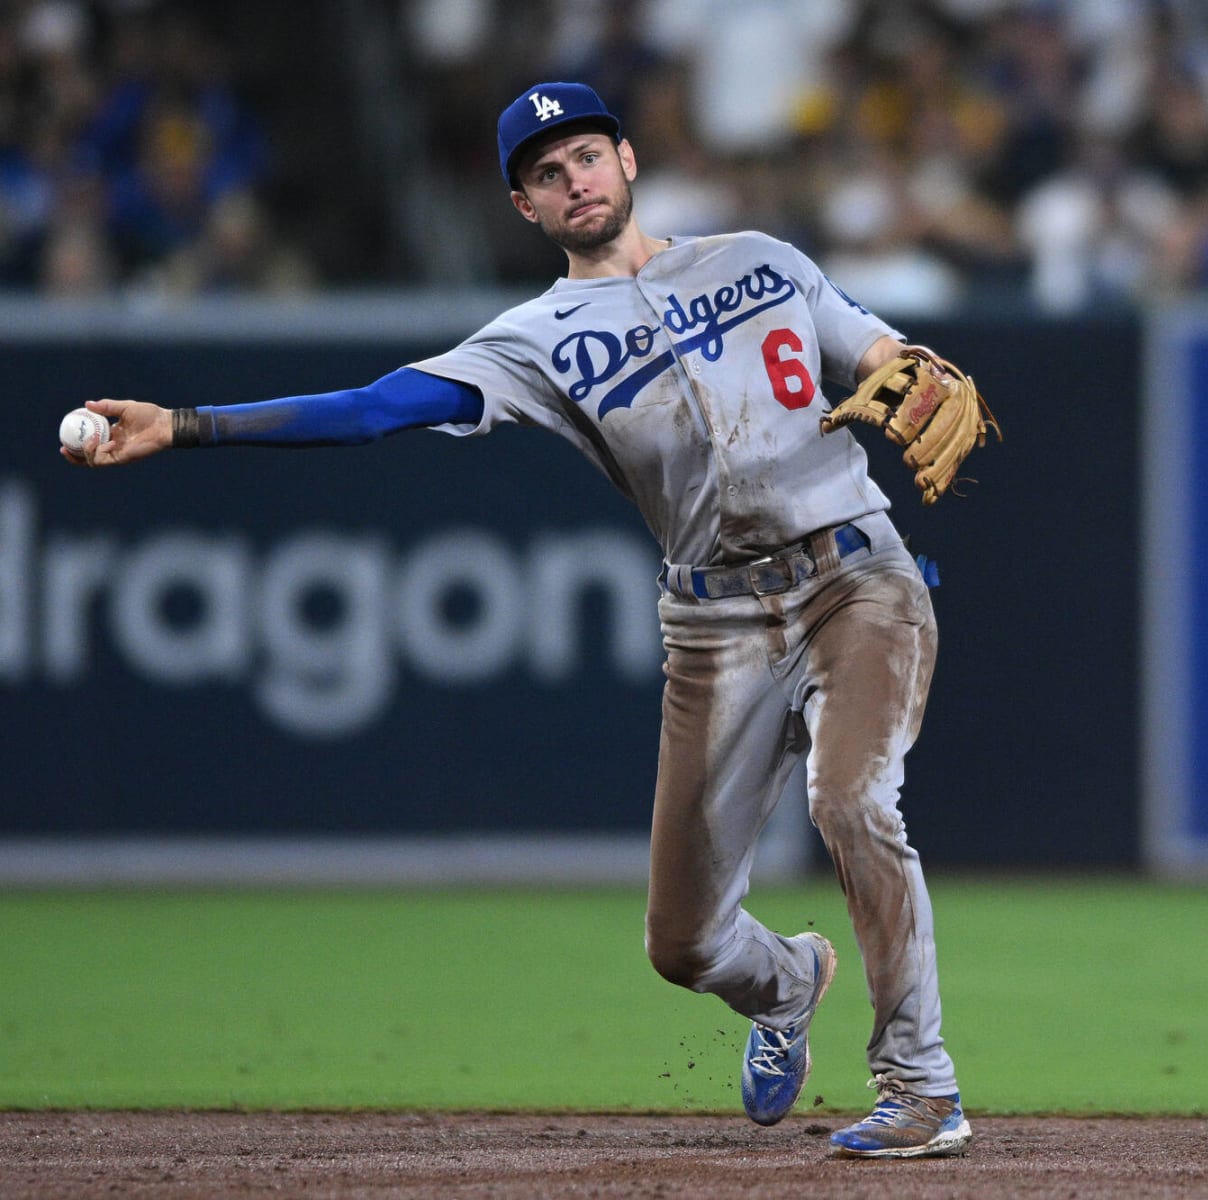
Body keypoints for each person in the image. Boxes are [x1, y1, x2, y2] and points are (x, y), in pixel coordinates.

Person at [64, 81, 971, 1160]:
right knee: (681, 944)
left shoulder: (759, 258)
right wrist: (188, 422)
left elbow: (877, 352)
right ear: (524, 207)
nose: (573, 179)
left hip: (854, 578)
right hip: (714, 628)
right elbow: (373, 412)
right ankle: (788, 983)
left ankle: (921, 1086)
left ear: (628, 161)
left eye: (586, 155)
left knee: (852, 800)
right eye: (546, 173)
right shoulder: (533, 337)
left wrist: (902, 369)